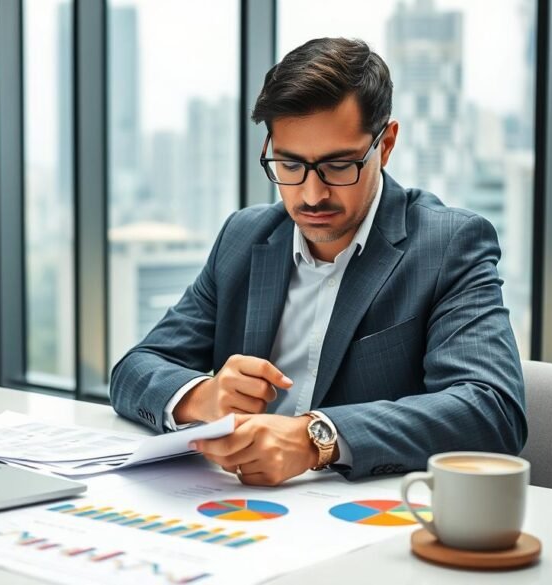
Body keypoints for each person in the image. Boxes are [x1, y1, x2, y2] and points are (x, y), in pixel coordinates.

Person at [109, 37, 526, 486]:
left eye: (339, 165)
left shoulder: (449, 245)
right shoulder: (245, 237)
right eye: (289, 165)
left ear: (385, 145)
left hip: (366, 519)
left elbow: (491, 408)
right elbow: (135, 368)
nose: (312, 195)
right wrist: (204, 396)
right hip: (236, 509)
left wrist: (315, 438)